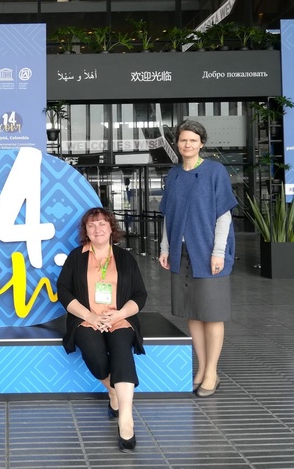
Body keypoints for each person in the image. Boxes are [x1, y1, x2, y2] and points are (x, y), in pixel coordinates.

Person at [57, 207, 148, 453]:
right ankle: (113, 392)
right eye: (92, 225)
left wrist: (119, 314)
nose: (97, 229)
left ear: (111, 228)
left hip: (119, 318)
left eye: (102, 224)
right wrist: (90, 316)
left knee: (121, 349)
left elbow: (140, 294)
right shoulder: (76, 257)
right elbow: (63, 291)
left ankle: (126, 419)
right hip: (86, 319)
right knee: (94, 353)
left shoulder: (125, 257)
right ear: (86, 231)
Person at [158, 119, 237, 398]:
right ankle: (202, 369)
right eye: (183, 140)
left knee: (212, 314)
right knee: (192, 312)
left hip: (207, 252)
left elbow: (224, 215)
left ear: (202, 143)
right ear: (177, 144)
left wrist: (218, 252)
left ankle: (212, 372)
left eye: (193, 140)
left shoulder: (215, 171)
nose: (187, 144)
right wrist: (165, 247)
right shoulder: (173, 175)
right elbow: (168, 215)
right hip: (181, 252)